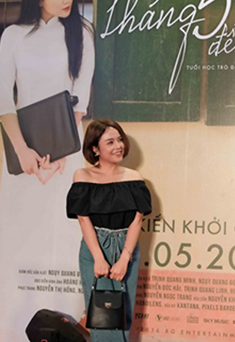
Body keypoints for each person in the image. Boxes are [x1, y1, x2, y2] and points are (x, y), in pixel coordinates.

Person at [0, 0, 95, 342]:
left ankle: (64, 326)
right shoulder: (14, 36)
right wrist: (23, 153)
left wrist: (63, 151)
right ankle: (15, 325)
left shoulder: (82, 33)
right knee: (21, 232)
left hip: (67, 151)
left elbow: (80, 99)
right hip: (23, 156)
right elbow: (5, 101)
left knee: (64, 232)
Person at [67, 119, 152, 342]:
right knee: (102, 316)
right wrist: (98, 258)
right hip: (95, 245)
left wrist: (125, 258)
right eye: (110, 142)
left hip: (127, 246)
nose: (119, 146)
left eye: (120, 140)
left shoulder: (134, 178)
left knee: (123, 315)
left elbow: (137, 219)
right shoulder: (82, 176)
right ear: (95, 148)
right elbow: (83, 219)